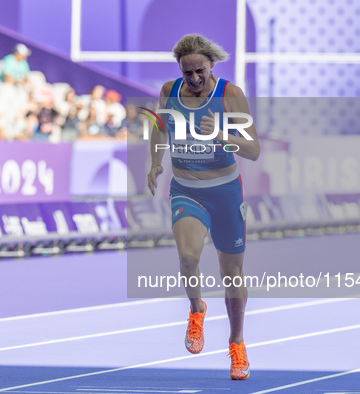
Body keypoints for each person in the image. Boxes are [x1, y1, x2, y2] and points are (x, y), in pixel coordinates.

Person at [147, 34, 260, 380]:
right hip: (186, 189)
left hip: (225, 192)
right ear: (179, 69)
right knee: (188, 257)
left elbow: (253, 150)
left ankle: (237, 342)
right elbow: (159, 128)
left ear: (212, 64)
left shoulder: (230, 95)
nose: (194, 79)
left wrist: (222, 136)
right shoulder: (169, 91)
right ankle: (196, 310)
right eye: (187, 73)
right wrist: (155, 163)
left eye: (199, 71)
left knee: (232, 275)